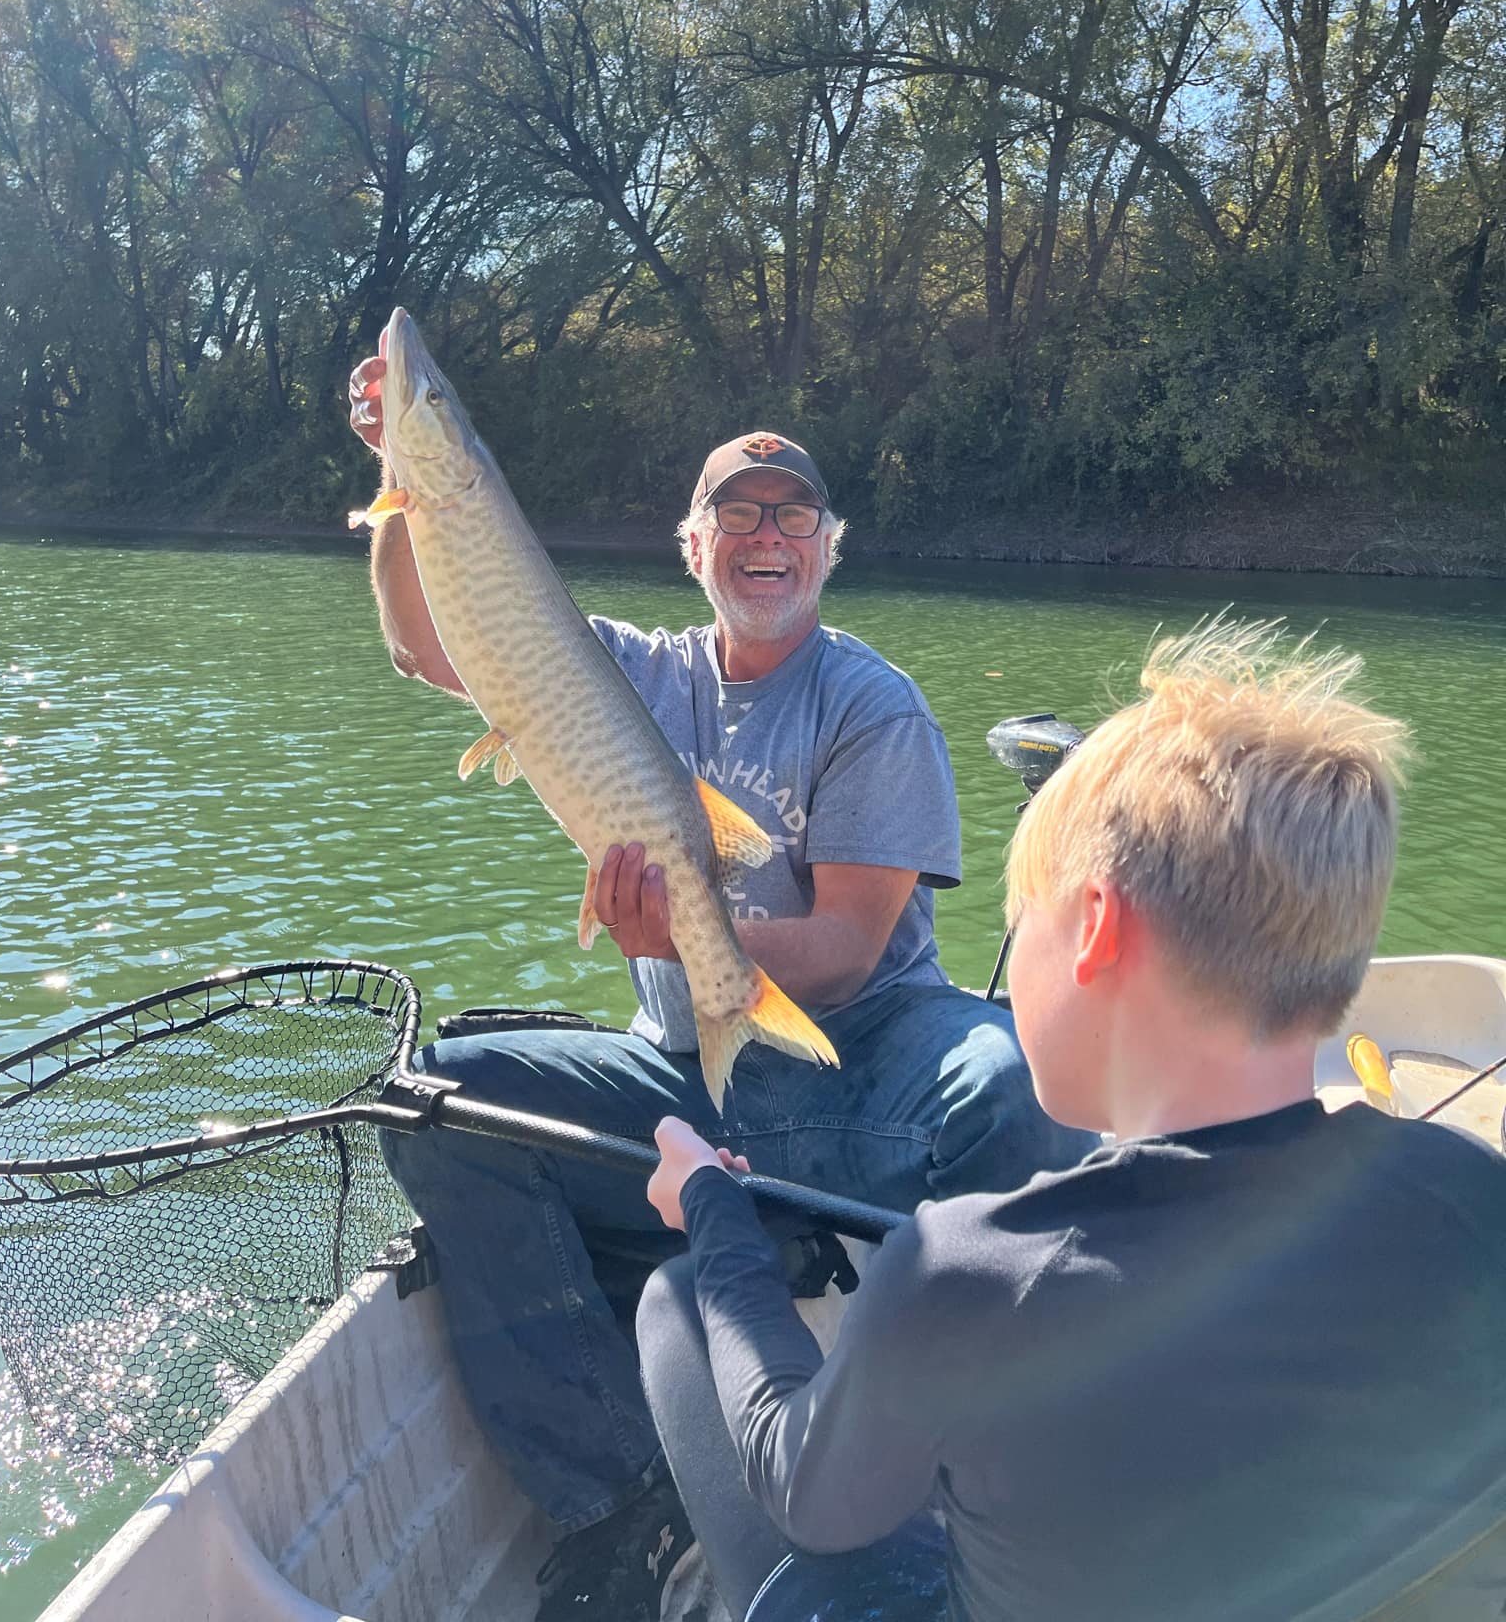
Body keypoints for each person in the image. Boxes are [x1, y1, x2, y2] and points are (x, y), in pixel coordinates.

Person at [346, 343, 1091, 1622]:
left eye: (791, 514)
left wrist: (693, 942)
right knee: (441, 1099)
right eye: (735, 514)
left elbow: (854, 944)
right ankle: (622, 1491)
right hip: (678, 1071)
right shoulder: (630, 665)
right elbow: (430, 645)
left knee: (1016, 1081)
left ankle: (999, 1473)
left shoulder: (874, 703)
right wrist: (396, 482)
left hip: (873, 1063)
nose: (765, 532)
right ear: (692, 547)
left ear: (824, 550)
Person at [638, 618, 1506, 1622]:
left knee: (681, 1300)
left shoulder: (964, 1275)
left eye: (1024, 920)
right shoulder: (1470, 1193)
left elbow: (800, 1485)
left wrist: (711, 1200)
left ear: (1094, 926)